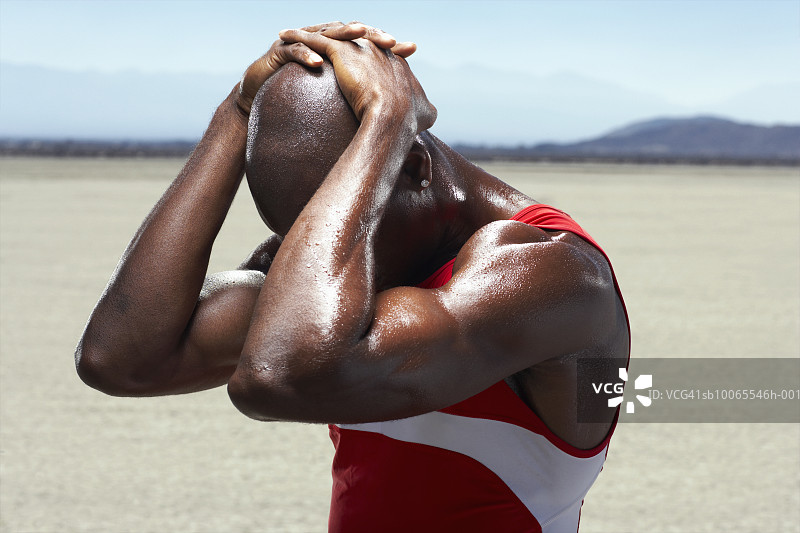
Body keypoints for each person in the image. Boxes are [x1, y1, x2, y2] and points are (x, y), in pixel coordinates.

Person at [76, 21, 630, 533]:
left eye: (335, 213)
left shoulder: (546, 267)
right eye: (296, 229)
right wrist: (235, 113)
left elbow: (284, 378)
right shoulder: (324, 267)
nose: (312, 244)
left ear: (412, 165)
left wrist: (387, 119)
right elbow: (122, 359)